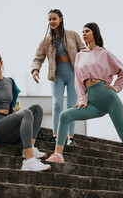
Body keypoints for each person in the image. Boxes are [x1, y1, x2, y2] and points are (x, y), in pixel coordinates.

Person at [46, 23, 123, 183]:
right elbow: (78, 80)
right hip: (92, 102)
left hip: (109, 98)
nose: (84, 34)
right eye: (82, 31)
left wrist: (116, 87)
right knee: (65, 115)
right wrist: (82, 99)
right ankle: (58, 154)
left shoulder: (104, 53)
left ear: (94, 33)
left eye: (87, 31)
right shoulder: (80, 55)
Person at [0, 49, 50, 171]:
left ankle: (29, 147)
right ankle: (29, 160)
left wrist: (15, 112)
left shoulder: (10, 82)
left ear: (1, 63)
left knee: (37, 109)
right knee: (26, 113)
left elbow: (11, 104)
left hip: (8, 125)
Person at [31, 9, 85, 145]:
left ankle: (71, 138)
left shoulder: (73, 35)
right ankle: (56, 135)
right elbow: (38, 57)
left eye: (54, 18)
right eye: (49, 19)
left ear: (61, 19)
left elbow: (84, 51)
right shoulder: (46, 40)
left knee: (72, 106)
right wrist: (35, 70)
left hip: (73, 74)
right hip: (57, 76)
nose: (52, 22)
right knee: (57, 104)